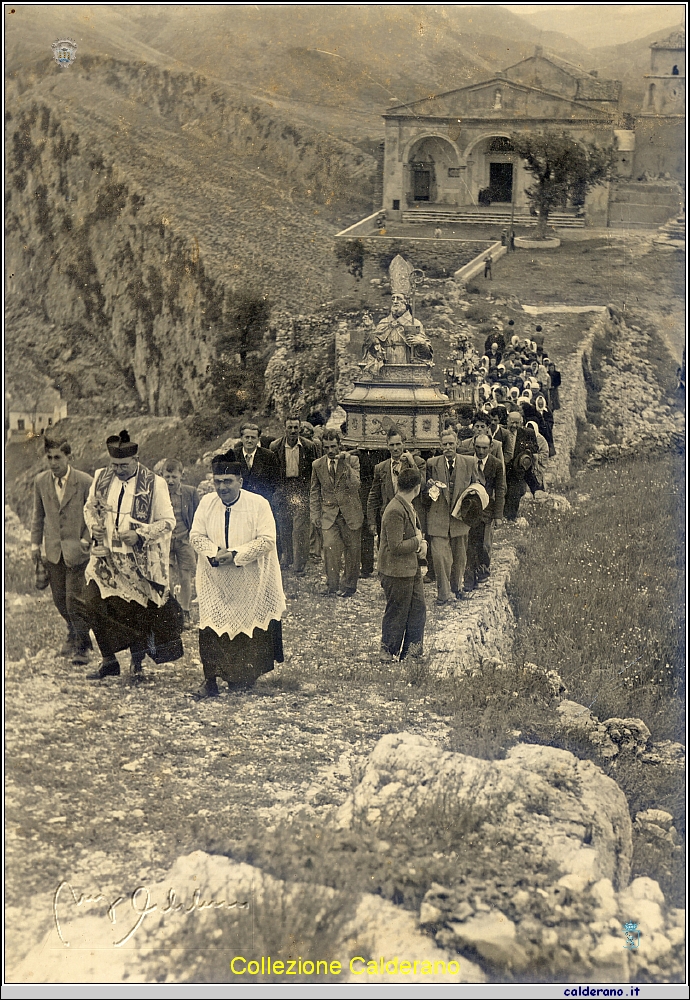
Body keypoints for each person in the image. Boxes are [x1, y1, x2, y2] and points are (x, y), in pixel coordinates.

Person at [83, 429, 184, 680]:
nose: (118, 470)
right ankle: (108, 659)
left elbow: (168, 522)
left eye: (124, 465)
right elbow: (90, 507)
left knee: (137, 612)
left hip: (138, 562)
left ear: (136, 460)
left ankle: (137, 663)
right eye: (114, 465)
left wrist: (141, 534)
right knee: (92, 600)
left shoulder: (155, 483)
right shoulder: (101, 477)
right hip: (106, 559)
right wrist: (93, 525)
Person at [189, 450, 286, 699]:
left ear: (240, 482)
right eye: (218, 482)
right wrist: (213, 552)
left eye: (228, 482)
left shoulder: (258, 504)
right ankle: (210, 680)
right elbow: (196, 535)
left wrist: (235, 554)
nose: (222, 488)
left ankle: (240, 677)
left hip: (250, 579)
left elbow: (267, 540)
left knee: (246, 629)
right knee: (211, 625)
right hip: (215, 579)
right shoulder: (207, 503)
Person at [30, 436, 93, 665]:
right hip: (54, 551)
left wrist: (87, 539)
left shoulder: (85, 482)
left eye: (58, 457)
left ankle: (83, 645)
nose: (53, 462)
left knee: (73, 600)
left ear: (69, 457)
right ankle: (73, 632)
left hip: (78, 551)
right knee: (58, 599)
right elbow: (38, 516)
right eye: (49, 458)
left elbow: (93, 516)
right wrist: (35, 544)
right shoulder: (41, 482)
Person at [377, 467, 427, 662]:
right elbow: (396, 546)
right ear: (417, 487)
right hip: (395, 571)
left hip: (409, 568)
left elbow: (414, 532)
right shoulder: (395, 510)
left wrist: (421, 543)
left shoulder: (406, 505)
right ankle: (387, 651)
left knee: (417, 609)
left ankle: (412, 653)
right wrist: (418, 541)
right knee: (397, 611)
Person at [424, 429, 475, 604]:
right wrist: (430, 488)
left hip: (459, 519)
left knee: (459, 558)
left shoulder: (469, 462)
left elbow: (476, 486)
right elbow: (425, 493)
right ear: (440, 446)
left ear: (457, 444)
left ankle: (456, 587)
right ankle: (443, 594)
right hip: (438, 518)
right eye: (444, 444)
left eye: (451, 444)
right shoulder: (432, 464)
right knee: (440, 558)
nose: (448, 447)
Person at [310, 430, 362, 597]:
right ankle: (332, 585)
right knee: (329, 548)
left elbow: (355, 485)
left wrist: (345, 464)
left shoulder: (352, 460)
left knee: (352, 552)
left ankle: (348, 586)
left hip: (350, 513)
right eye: (327, 447)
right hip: (329, 514)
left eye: (333, 446)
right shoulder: (317, 465)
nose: (330, 451)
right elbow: (314, 491)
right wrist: (315, 514)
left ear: (340, 445)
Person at [270, 415, 319, 574]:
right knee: (284, 526)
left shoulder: (309, 446)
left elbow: (315, 470)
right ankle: (287, 558)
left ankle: (299, 564)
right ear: (284, 428)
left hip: (301, 488)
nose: (292, 431)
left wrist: (310, 491)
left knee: (300, 528)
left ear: (300, 429)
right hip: (283, 489)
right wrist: (277, 489)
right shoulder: (275, 446)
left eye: (295, 428)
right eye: (289, 427)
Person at [464, 433, 505, 590]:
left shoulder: (496, 464)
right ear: (473, 445)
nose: (481, 451)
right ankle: (469, 578)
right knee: (470, 544)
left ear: (491, 447)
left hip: (487, 509)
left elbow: (500, 490)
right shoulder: (467, 460)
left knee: (484, 544)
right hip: (468, 509)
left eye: (484, 448)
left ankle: (482, 570)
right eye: (478, 447)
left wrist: (498, 515)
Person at [367, 427, 426, 537]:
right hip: (388, 518)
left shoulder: (418, 462)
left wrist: (412, 463)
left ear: (404, 444)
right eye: (392, 445)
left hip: (411, 518)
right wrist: (372, 521)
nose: (395, 448)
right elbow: (374, 496)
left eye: (398, 444)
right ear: (387, 445)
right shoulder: (381, 468)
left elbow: (422, 486)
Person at [162, 459, 199, 630]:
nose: (170, 481)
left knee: (185, 577)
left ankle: (185, 611)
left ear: (181, 476)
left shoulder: (190, 493)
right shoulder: (159, 494)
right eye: (167, 476)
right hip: (165, 541)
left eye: (174, 477)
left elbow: (197, 517)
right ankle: (172, 612)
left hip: (184, 540)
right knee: (166, 579)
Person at [496, 411, 539, 521]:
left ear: (521, 422)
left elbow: (535, 448)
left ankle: (510, 519)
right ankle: (500, 518)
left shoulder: (528, 432)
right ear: (507, 421)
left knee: (514, 495)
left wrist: (526, 453)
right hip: (503, 469)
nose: (514, 425)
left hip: (517, 470)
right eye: (512, 422)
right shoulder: (500, 432)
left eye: (517, 423)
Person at [237, 421, 280, 505]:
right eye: (247, 437)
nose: (249, 441)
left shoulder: (269, 456)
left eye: (253, 437)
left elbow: (276, 482)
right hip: (240, 502)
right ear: (241, 438)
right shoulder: (233, 455)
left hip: (262, 502)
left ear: (258, 439)